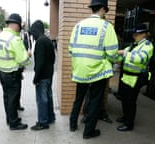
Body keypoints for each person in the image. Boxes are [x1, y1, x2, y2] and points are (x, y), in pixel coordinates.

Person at [68, 0, 118, 139]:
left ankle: (72, 124)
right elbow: (112, 53)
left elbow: (71, 49)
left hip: (80, 70)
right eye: (105, 10)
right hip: (98, 71)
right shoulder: (106, 27)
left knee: (79, 98)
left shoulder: (78, 25)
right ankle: (88, 132)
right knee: (95, 101)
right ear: (103, 8)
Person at [0, 13, 31, 130]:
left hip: (2, 72)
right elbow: (24, 60)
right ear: (16, 25)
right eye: (20, 26)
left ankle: (10, 119)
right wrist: (28, 55)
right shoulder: (14, 39)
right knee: (13, 99)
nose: (20, 28)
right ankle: (14, 123)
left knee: (7, 97)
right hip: (13, 74)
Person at [116, 23, 153, 131]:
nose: (134, 36)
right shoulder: (134, 44)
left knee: (130, 101)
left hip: (136, 78)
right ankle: (125, 116)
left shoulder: (147, 46)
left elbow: (139, 59)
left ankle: (129, 124)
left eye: (136, 34)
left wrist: (124, 53)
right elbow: (122, 57)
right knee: (124, 99)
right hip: (126, 76)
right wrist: (115, 58)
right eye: (134, 34)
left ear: (144, 34)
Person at [29, 20, 56, 130]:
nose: (32, 35)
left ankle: (43, 122)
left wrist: (36, 78)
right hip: (49, 74)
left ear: (36, 31)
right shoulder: (48, 40)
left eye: (32, 32)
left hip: (42, 76)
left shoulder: (40, 42)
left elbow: (39, 63)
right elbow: (53, 59)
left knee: (42, 99)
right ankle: (50, 117)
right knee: (48, 97)